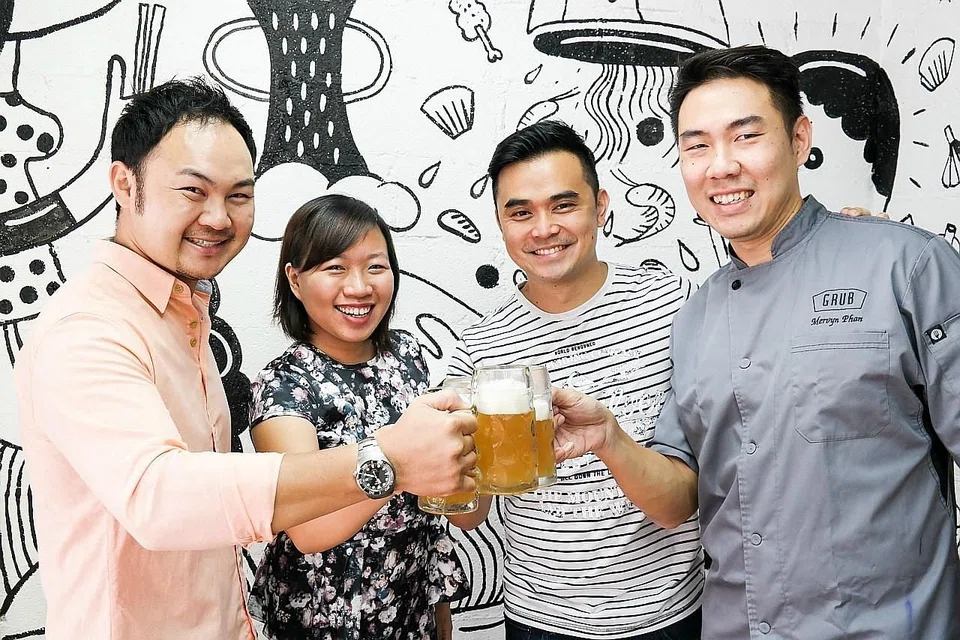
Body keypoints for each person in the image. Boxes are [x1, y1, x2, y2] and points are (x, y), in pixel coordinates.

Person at [13, 78, 478, 639]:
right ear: (124, 183)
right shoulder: (89, 328)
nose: (218, 217)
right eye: (193, 190)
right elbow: (159, 497)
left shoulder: (181, 317)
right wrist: (389, 460)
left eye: (238, 195)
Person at [549, 45, 960, 639]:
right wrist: (608, 439)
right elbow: (679, 499)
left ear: (798, 140)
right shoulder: (697, 314)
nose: (720, 167)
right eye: (696, 146)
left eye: (745, 136)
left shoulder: (907, 265)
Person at [446, 120, 705, 639]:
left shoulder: (671, 303)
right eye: (521, 213)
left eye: (563, 205)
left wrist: (609, 438)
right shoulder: (478, 348)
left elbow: (685, 499)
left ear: (600, 207)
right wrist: (447, 474)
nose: (543, 229)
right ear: (501, 223)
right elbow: (469, 517)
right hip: (539, 621)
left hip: (670, 613)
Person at [247, 194, 469, 639]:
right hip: (322, 619)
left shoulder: (408, 356)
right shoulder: (282, 384)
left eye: (375, 266)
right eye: (335, 267)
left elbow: (451, 514)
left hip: (410, 611)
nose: (359, 287)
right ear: (295, 280)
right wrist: (403, 462)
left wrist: (476, 459)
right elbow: (309, 529)